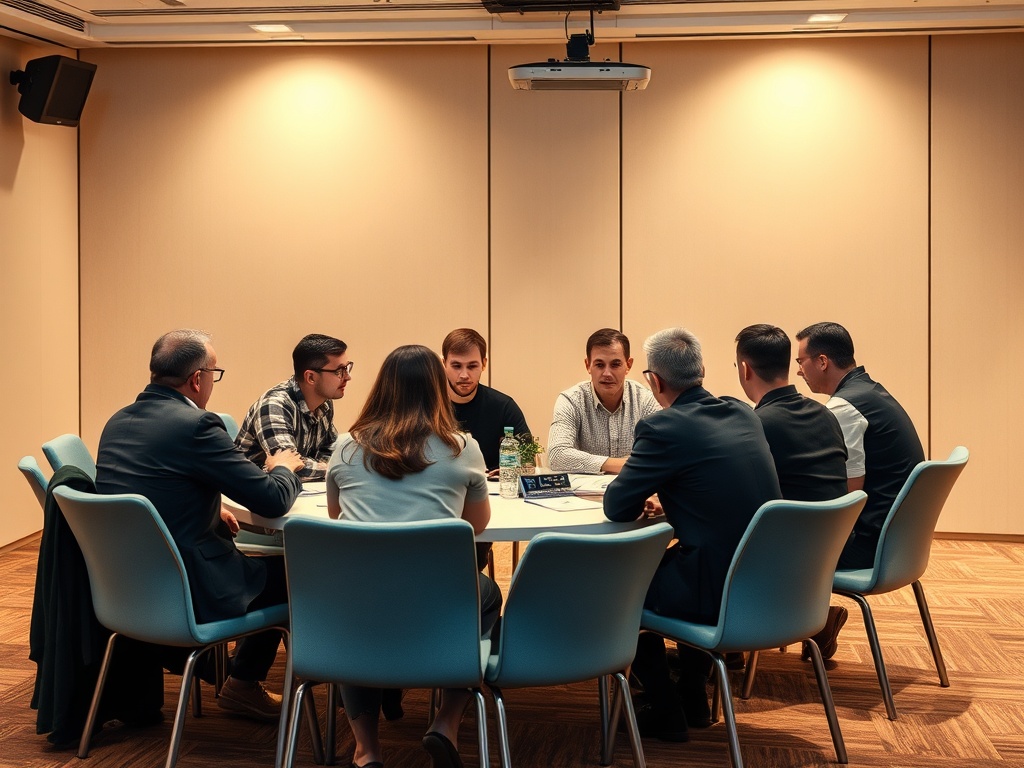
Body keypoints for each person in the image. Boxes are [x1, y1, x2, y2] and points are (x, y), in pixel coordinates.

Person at [95, 329, 305, 721]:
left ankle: (223, 671)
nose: (212, 381)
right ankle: (242, 684)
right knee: (302, 575)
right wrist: (284, 469)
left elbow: (146, 491)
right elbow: (272, 499)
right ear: (197, 379)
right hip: (190, 587)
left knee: (267, 565)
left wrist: (206, 510)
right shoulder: (195, 426)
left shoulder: (117, 421)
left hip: (128, 588)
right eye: (214, 372)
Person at [326, 345, 502, 768]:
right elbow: (475, 524)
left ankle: (367, 749)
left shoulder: (347, 447)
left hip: (360, 595)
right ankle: (445, 721)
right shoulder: (462, 447)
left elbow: (336, 516)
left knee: (355, 624)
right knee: (488, 595)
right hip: (438, 599)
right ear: (436, 388)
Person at [604, 327, 780, 742]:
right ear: (701, 370)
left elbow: (617, 507)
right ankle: (693, 696)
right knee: (686, 559)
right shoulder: (742, 412)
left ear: (654, 381)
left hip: (716, 586)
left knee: (618, 587)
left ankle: (665, 710)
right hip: (769, 581)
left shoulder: (663, 428)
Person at [735, 323, 850, 661]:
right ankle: (811, 621)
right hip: (827, 552)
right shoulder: (826, 415)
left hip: (779, 561)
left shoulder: (756, 426)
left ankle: (723, 648)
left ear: (745, 369)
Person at [795, 322, 925, 569]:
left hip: (869, 545)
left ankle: (808, 609)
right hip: (899, 541)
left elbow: (849, 495)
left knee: (779, 545)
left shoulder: (844, 407)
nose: (799, 371)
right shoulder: (870, 391)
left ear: (822, 362)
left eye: (800, 362)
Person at [235, 333, 351, 481]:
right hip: (248, 495)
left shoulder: (324, 403)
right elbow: (287, 466)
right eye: (339, 371)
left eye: (347, 368)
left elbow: (330, 451)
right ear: (311, 377)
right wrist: (334, 469)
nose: (347, 377)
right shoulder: (274, 406)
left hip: (294, 493)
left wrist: (330, 466)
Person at [547, 328, 660, 474]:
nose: (607, 373)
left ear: (628, 365)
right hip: (582, 495)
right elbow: (557, 455)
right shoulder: (571, 401)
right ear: (588, 365)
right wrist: (626, 464)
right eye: (599, 365)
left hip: (635, 492)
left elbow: (661, 454)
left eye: (615, 364)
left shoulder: (646, 400)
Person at [442, 328, 531, 471]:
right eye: (456, 366)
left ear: (484, 364)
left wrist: (512, 470)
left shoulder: (504, 407)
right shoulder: (426, 405)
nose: (464, 375)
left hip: (492, 489)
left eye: (472, 366)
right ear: (444, 364)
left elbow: (528, 458)